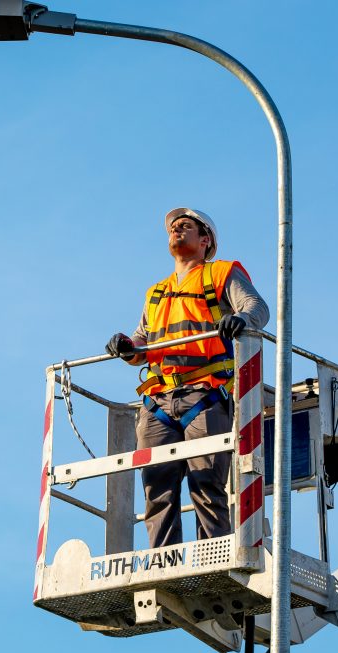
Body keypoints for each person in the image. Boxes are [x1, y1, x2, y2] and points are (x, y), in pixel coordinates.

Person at [105, 208, 269, 548]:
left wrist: (242, 319)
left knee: (207, 485)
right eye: (173, 228)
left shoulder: (221, 274)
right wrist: (126, 346)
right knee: (157, 489)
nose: (177, 230)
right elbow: (142, 343)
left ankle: (211, 559)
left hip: (204, 395)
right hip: (158, 402)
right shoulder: (156, 292)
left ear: (205, 239)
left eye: (186, 226)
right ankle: (163, 561)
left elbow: (257, 307)